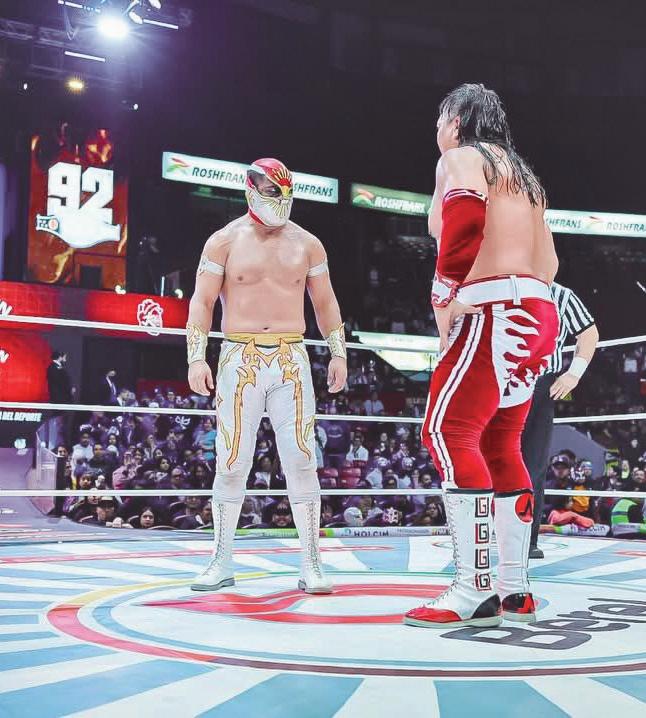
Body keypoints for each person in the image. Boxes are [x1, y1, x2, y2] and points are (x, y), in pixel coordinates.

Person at [404, 84, 559, 630]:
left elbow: (465, 217)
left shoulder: (464, 157)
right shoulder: (525, 178)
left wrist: (445, 289)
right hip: (537, 312)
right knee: (499, 443)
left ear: (458, 120)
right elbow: (550, 262)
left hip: (495, 310)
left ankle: (473, 590)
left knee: (447, 431)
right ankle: (515, 589)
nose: (436, 130)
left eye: (440, 119)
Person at [186, 157, 347, 594]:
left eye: (286, 192)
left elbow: (325, 302)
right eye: (273, 191)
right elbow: (202, 301)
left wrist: (338, 352)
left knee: (301, 459)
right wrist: (196, 358)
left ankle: (312, 564)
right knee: (232, 460)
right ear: (251, 189)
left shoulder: (308, 244)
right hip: (239, 356)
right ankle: (221, 560)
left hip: (292, 356)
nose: (281, 200)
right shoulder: (224, 241)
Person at [521, 283, 598, 558]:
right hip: (500, 380)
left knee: (534, 465)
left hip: (540, 384)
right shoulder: (501, 283)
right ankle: (480, 532)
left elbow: (588, 332)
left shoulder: (560, 294)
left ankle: (526, 540)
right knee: (488, 459)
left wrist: (573, 374)